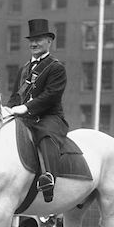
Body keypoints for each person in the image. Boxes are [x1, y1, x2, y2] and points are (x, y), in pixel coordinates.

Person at [7, 18, 68, 202]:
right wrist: (6, 111)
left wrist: (26, 107)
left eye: (38, 39)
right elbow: (15, 96)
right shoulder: (24, 68)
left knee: (45, 134)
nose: (33, 43)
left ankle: (49, 178)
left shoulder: (56, 67)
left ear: (49, 41)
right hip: (25, 116)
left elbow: (51, 95)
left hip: (49, 117)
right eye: (31, 40)